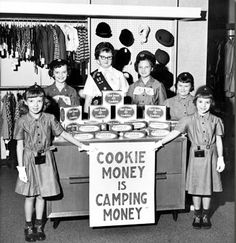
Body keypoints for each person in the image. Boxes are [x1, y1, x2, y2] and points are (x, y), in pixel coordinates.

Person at [14, 84, 89, 242]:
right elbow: (19, 144)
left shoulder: (49, 118)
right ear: (26, 102)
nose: (36, 104)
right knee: (30, 195)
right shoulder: (21, 121)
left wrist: (81, 145)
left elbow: (64, 133)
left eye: (39, 101)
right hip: (28, 160)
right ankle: (29, 226)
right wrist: (20, 167)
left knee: (42, 195)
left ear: (44, 102)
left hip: (46, 159)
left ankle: (39, 225)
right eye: (32, 101)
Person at [155, 85, 225, 229]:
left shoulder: (216, 120)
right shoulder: (187, 120)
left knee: (208, 188)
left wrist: (221, 158)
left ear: (211, 103)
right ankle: (197, 215)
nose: (203, 105)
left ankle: (205, 215)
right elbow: (174, 133)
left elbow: (218, 139)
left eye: (207, 102)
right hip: (196, 156)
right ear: (196, 102)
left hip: (211, 156)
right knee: (195, 187)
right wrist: (159, 143)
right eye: (200, 102)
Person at [82, 42, 129, 114]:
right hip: (97, 112)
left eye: (109, 57)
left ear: (113, 58)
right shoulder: (93, 76)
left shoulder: (119, 75)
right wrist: (86, 118)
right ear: (97, 59)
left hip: (115, 113)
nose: (106, 60)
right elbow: (88, 100)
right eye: (103, 57)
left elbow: (126, 96)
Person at [126, 50, 167, 118]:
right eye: (140, 67)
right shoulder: (132, 87)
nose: (143, 70)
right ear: (137, 68)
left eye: (146, 67)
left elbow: (163, 108)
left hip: (153, 120)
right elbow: (128, 109)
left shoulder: (158, 85)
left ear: (152, 68)